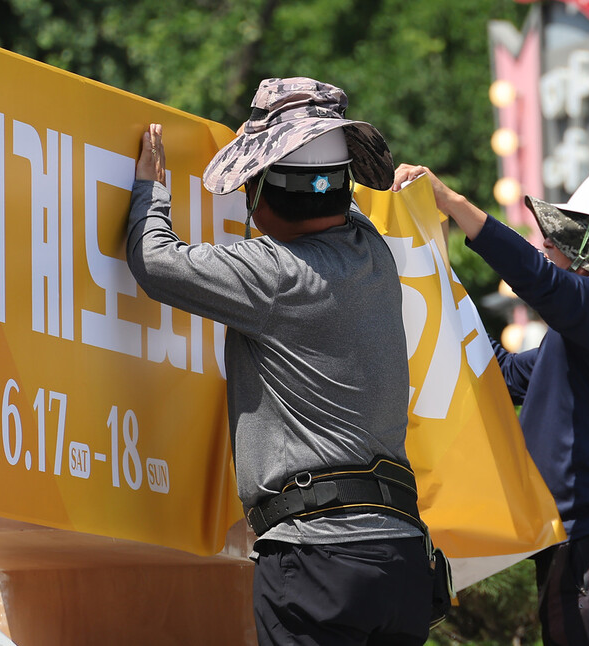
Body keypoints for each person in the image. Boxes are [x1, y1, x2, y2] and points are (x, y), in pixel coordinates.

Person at [127, 77, 432, 645]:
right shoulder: (372, 254)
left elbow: (155, 261)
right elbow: (333, 193)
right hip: (401, 559)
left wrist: (151, 190)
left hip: (318, 560)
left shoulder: (276, 275)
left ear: (262, 191)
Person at [392, 162, 589, 646]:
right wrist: (434, 276)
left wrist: (453, 204)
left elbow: (541, 280)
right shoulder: (586, 333)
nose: (548, 241)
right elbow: (497, 372)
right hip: (585, 543)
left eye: (565, 234)